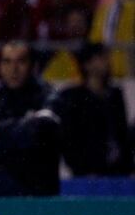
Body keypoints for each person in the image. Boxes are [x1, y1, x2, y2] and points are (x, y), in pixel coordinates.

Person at [0, 41, 60, 196]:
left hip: (38, 195)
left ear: (32, 66)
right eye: (7, 61)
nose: (13, 69)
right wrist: (21, 136)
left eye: (20, 61)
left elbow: (43, 130)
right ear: (0, 67)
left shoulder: (47, 96)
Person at [48, 42, 133, 177]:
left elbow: (121, 133)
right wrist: (80, 168)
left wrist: (128, 166)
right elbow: (69, 138)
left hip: (118, 171)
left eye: (107, 57)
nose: (107, 62)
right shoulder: (73, 97)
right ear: (87, 64)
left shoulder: (115, 94)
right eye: (101, 58)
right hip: (87, 172)